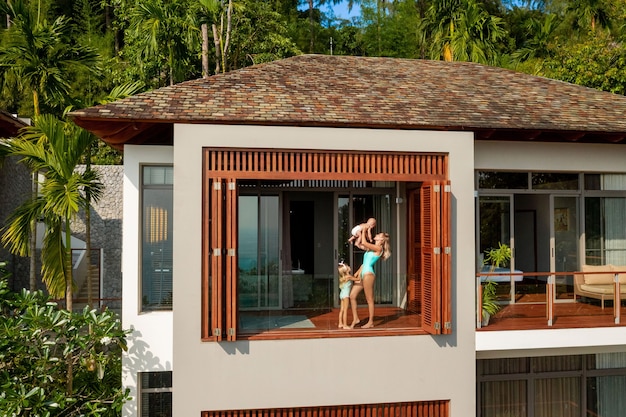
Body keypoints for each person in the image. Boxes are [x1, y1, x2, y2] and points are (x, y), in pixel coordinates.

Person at [349, 231, 391, 329]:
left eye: (378, 235)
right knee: (352, 295)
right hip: (363, 273)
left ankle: (371, 322)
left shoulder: (378, 249)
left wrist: (363, 230)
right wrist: (358, 234)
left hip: (368, 275)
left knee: (369, 299)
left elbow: (364, 242)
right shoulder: (370, 249)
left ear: (381, 240)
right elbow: (359, 245)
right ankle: (356, 319)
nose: (376, 235)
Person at [337, 262, 354, 329]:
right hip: (346, 295)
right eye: (348, 267)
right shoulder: (349, 277)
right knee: (345, 310)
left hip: (342, 294)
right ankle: (345, 325)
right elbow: (357, 279)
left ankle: (340, 323)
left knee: (342, 310)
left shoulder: (343, 277)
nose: (349, 267)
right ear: (346, 270)